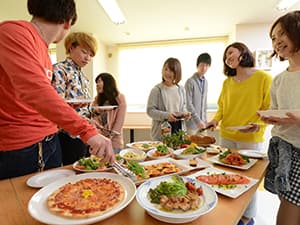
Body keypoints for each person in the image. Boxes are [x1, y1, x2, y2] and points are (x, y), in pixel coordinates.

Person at [0, 0, 114, 180]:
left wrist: (88, 123)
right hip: (21, 146)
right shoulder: (13, 32)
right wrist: (86, 130)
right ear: (68, 22)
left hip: (50, 139)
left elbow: (48, 102)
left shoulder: (43, 51)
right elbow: (36, 91)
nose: (87, 58)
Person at [206, 42, 272, 225]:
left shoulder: (263, 78)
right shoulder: (228, 82)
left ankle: (247, 216)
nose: (228, 57)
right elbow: (222, 108)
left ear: (243, 53)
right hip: (227, 135)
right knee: (225, 176)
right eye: (226, 55)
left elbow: (269, 108)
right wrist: (214, 120)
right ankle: (229, 214)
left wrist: (258, 124)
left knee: (249, 180)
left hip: (250, 138)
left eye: (230, 52)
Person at [259, 10, 300, 225]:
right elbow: (276, 110)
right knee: (285, 204)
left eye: (282, 34)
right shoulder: (279, 79)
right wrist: (270, 119)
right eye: (273, 38)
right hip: (282, 149)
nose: (277, 42)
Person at [52, 32, 98, 165]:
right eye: (84, 52)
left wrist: (93, 117)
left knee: (88, 167)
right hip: (69, 133)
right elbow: (57, 104)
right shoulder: (60, 70)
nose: (87, 58)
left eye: (90, 55)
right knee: (73, 171)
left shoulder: (83, 77)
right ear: (71, 48)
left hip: (85, 131)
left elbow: (85, 107)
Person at [147, 57, 190, 141]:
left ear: (177, 73)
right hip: (163, 131)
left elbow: (183, 107)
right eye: (165, 69)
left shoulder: (181, 89)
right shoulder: (156, 90)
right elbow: (150, 111)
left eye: (171, 71)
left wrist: (185, 113)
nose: (167, 73)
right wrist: (167, 116)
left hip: (179, 130)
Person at [91, 73, 127, 154]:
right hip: (99, 141)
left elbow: (119, 122)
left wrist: (109, 138)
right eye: (96, 82)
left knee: (113, 164)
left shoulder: (120, 97)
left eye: (99, 81)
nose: (97, 84)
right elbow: (94, 120)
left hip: (114, 141)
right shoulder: (97, 99)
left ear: (107, 83)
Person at [185, 53, 211, 134]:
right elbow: (188, 104)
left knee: (204, 146)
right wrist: (198, 121)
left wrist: (205, 121)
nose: (204, 68)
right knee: (190, 146)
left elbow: (204, 104)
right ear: (197, 65)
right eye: (202, 65)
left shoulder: (206, 82)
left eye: (206, 65)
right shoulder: (190, 82)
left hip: (202, 124)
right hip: (192, 124)